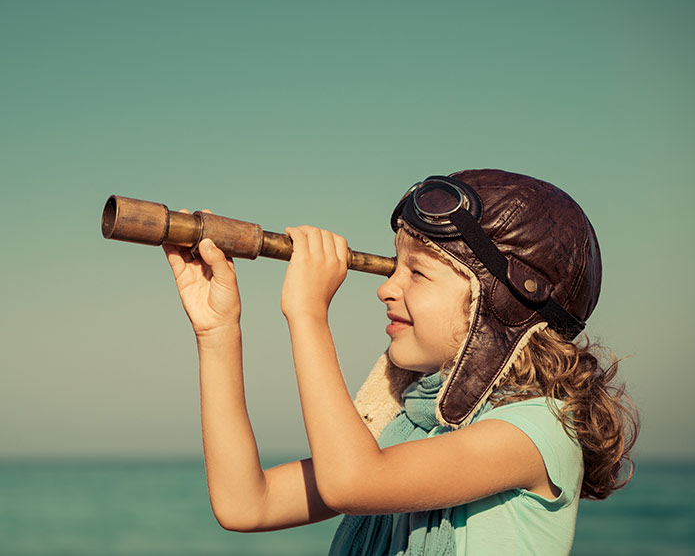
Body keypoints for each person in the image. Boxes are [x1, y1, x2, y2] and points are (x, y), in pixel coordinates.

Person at [162, 169, 639, 555]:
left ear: (499, 303)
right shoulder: (408, 431)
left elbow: (352, 482)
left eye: (418, 272)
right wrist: (217, 331)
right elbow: (247, 503)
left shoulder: (535, 432)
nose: (387, 288)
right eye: (395, 267)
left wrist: (308, 314)